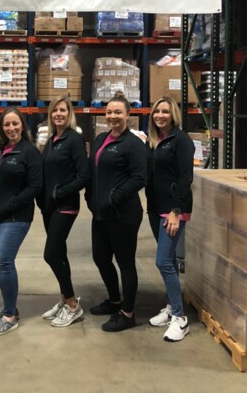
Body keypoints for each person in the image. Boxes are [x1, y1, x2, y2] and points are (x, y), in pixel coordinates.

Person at [0, 108, 43, 336]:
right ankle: (9, 305)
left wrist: (10, 205)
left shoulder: (29, 152)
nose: (11, 128)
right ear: (2, 128)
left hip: (15, 217)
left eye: (15, 124)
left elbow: (35, 186)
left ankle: (9, 317)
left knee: (5, 261)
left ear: (22, 126)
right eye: (7, 124)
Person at [86, 92, 147, 332]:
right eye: (109, 112)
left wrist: (113, 198)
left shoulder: (133, 144)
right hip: (100, 213)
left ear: (128, 115)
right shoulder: (101, 138)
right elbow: (95, 171)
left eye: (118, 112)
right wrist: (90, 198)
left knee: (125, 262)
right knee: (100, 257)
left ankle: (128, 313)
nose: (113, 116)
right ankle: (114, 301)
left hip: (124, 214)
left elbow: (139, 178)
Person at [37, 97, 89, 327]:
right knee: (60, 254)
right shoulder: (51, 140)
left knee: (50, 254)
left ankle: (71, 304)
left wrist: (61, 193)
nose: (59, 113)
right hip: (48, 207)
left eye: (63, 110)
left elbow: (84, 175)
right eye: (55, 110)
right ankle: (63, 298)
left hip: (65, 206)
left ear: (69, 114)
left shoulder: (74, 139)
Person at [146, 96, 194, 342]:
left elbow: (186, 177)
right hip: (155, 208)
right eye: (156, 111)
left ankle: (180, 318)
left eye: (165, 111)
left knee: (163, 261)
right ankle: (170, 305)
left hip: (173, 210)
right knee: (171, 260)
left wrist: (176, 210)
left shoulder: (181, 140)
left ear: (173, 114)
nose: (160, 115)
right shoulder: (155, 141)